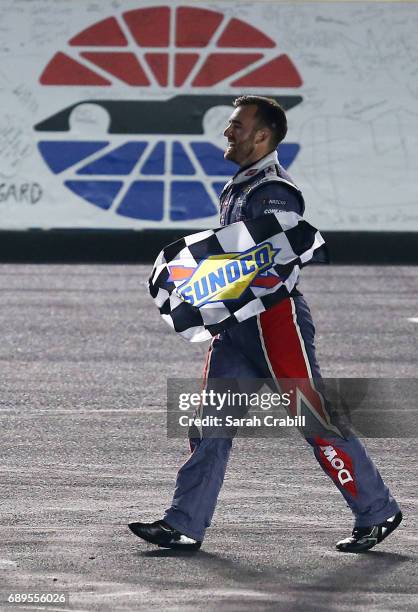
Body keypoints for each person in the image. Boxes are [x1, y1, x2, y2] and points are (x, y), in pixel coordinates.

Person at [129, 96, 402, 553]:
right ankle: (184, 524)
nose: (227, 132)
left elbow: (280, 256)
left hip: (276, 322)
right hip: (237, 326)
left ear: (262, 135)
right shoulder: (242, 184)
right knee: (209, 422)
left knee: (313, 417)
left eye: (236, 125)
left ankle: (377, 510)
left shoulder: (273, 190)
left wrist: (209, 284)